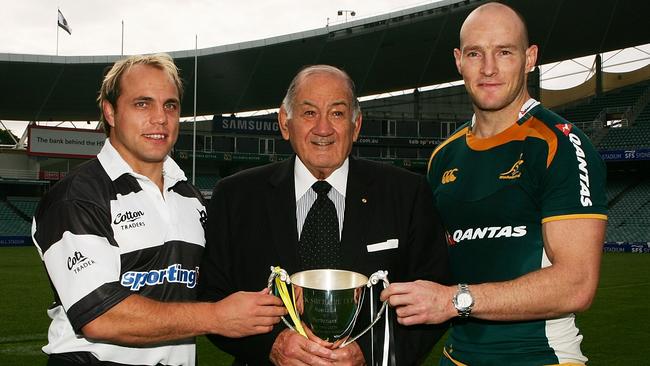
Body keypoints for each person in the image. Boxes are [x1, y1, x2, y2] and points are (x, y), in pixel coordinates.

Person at [380, 2, 608, 365]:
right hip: (455, 357)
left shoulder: (560, 145)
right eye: (475, 53)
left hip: (540, 357)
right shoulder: (442, 157)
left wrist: (453, 300)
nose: (488, 68)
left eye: (504, 51)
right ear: (458, 60)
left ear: (530, 57)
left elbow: (577, 284)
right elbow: (430, 264)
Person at [31, 54, 285, 366]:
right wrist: (216, 317)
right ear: (110, 112)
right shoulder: (76, 197)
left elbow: (218, 283)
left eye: (170, 105)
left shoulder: (191, 198)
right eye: (142, 104)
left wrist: (284, 294)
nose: (160, 118)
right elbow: (101, 315)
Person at [198, 64, 450, 365]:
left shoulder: (407, 193)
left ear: (356, 125)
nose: (323, 129)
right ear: (284, 122)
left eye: (337, 113)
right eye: (308, 113)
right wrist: (271, 345)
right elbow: (213, 297)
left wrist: (368, 353)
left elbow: (436, 296)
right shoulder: (236, 196)